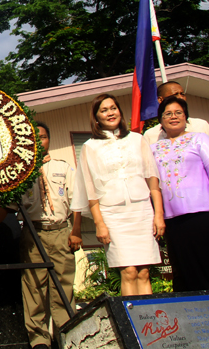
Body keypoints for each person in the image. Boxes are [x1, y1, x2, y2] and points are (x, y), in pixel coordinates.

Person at [0, 122, 82, 349]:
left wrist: (76, 231)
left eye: (43, 137)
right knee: (34, 285)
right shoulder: (19, 173)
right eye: (34, 138)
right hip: (33, 233)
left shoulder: (64, 168)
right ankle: (39, 340)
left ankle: (66, 334)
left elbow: (78, 201)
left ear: (50, 140)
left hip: (60, 232)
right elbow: (8, 205)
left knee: (63, 285)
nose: (39, 142)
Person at [71, 94, 165, 295]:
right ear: (96, 118)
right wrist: (100, 224)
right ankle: (130, 322)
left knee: (144, 272)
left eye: (113, 108)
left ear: (120, 111)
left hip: (141, 211)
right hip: (113, 214)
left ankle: (148, 322)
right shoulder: (90, 146)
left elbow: (153, 181)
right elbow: (90, 190)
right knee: (129, 271)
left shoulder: (137, 139)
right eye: (104, 110)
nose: (110, 113)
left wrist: (159, 215)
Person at [151, 96, 209, 291]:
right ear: (160, 120)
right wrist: (158, 216)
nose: (173, 117)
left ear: (186, 117)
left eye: (178, 112)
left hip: (204, 214)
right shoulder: (153, 148)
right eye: (168, 114)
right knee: (184, 271)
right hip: (173, 219)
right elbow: (153, 183)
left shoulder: (199, 138)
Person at [143, 81, 209, 145]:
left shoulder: (201, 125)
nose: (180, 98)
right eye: (175, 94)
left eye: (182, 94)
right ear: (160, 99)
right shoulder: (150, 135)